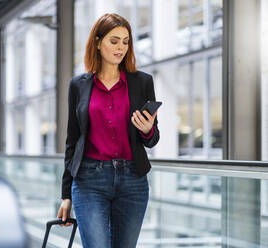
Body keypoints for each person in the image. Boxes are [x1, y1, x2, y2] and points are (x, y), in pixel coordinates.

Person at [57, 13, 160, 248]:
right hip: (89, 180)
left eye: (126, 42)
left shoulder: (143, 82)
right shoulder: (79, 85)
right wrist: (66, 195)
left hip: (133, 180)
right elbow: (72, 141)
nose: (121, 48)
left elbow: (153, 139)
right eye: (114, 41)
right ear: (97, 42)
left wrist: (147, 130)